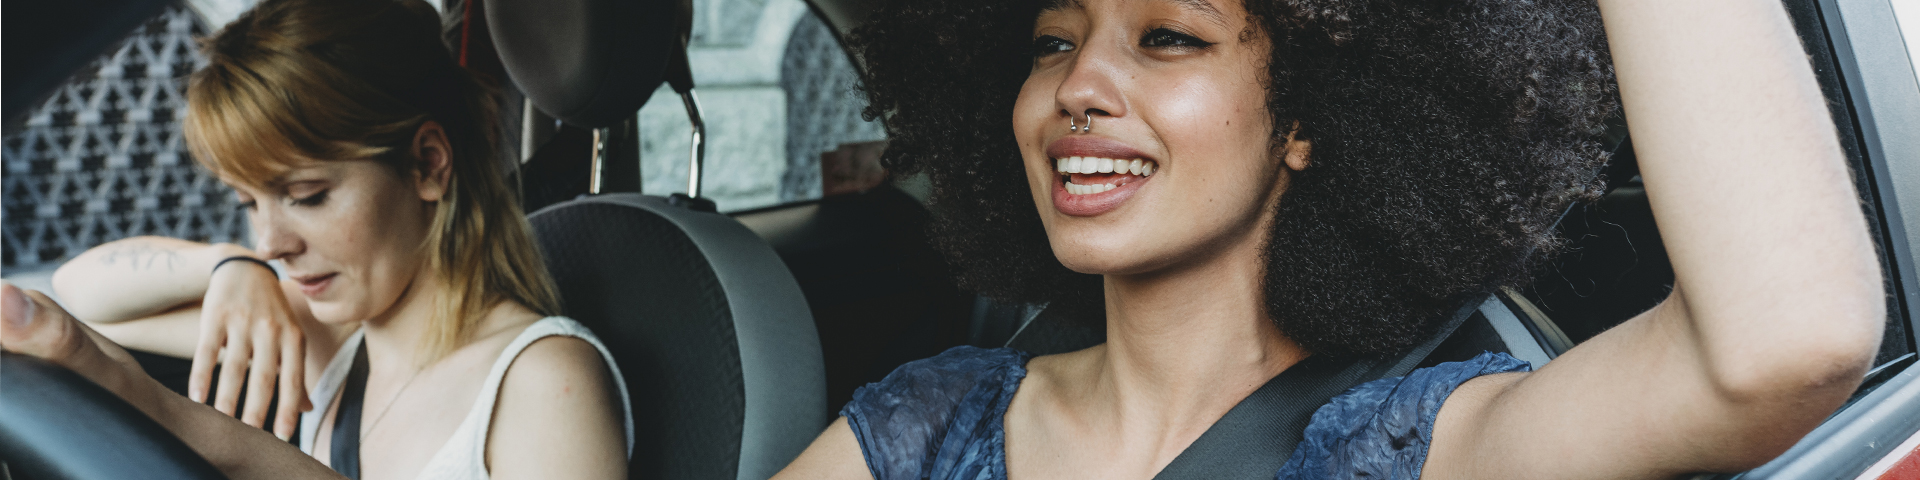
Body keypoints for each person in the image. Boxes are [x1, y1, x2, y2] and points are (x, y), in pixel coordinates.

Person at [774, 0, 1886, 478]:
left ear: (1304, 119)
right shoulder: (936, 419)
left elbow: (1782, 346)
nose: (1080, 86)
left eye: (1168, 37)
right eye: (1053, 41)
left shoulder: (1406, 446)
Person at [0, 0, 631, 478]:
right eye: (249, 204)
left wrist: (196, 430)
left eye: (306, 196)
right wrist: (229, 266)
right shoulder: (322, 335)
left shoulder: (543, 383)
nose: (272, 242)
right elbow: (80, 289)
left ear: (427, 164)